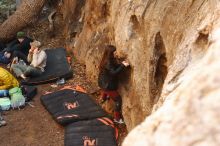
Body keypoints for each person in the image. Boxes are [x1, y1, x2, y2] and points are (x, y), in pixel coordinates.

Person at [98, 45, 129, 124]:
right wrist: (122, 65)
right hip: (108, 86)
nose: (116, 53)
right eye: (114, 52)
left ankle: (103, 98)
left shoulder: (106, 59)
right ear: (110, 53)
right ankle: (117, 118)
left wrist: (121, 64)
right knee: (118, 100)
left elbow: (113, 68)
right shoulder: (108, 62)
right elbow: (113, 73)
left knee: (105, 90)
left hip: (103, 82)